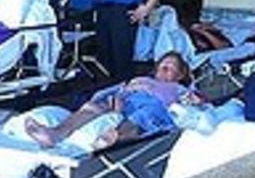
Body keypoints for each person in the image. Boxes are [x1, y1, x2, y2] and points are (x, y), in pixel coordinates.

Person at [25, 51, 196, 149]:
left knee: (143, 116)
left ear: (180, 75)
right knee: (91, 106)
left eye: (170, 68)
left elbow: (195, 102)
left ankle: (113, 139)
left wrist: (192, 99)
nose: (164, 70)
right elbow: (118, 90)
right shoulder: (142, 79)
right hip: (124, 103)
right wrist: (114, 102)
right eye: (162, 66)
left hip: (154, 107)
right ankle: (54, 134)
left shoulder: (179, 89)